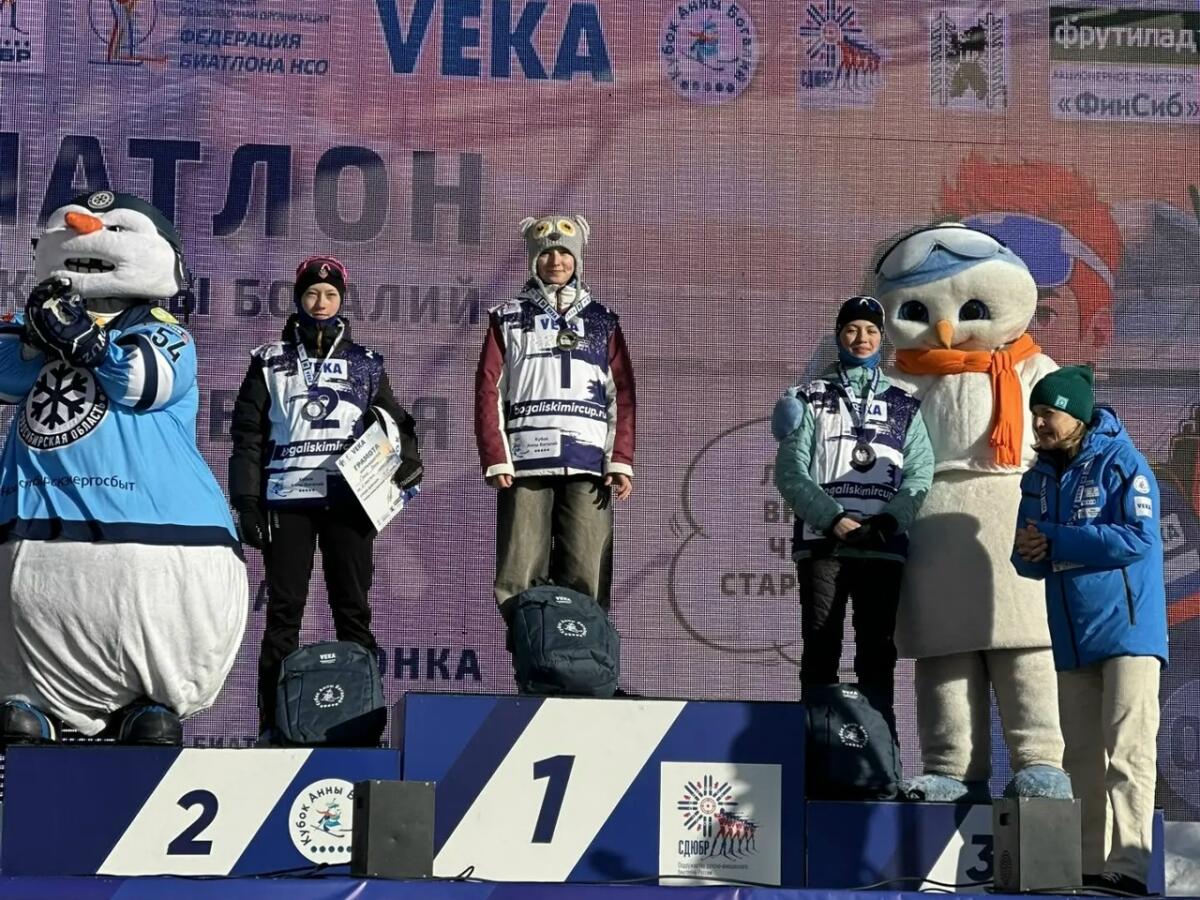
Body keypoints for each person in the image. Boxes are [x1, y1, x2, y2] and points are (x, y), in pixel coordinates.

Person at [229, 255, 422, 741]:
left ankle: (363, 721)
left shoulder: (365, 362)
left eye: (330, 294)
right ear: (299, 298)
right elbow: (248, 435)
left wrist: (408, 460)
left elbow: (395, 422)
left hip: (349, 501)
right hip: (287, 498)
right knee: (283, 614)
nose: (321, 302)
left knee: (352, 609)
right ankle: (273, 723)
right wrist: (247, 502)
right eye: (312, 293)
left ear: (342, 300)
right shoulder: (269, 360)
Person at [1013, 365, 1167, 896]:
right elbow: (1026, 556)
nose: (1039, 423)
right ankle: (1088, 866)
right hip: (1072, 637)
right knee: (1079, 758)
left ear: (1076, 416)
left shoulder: (1121, 460)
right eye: (1035, 414)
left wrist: (1055, 538)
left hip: (1128, 633)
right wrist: (1032, 549)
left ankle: (1130, 864)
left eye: (1048, 414)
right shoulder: (1037, 476)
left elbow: (1138, 538)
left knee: (1128, 752)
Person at [772, 295, 933, 726]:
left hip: (882, 543)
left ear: (882, 338)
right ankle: (816, 740)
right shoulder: (810, 397)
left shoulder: (904, 403)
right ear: (839, 335)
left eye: (871, 330)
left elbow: (920, 472)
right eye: (852, 329)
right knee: (821, 646)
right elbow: (790, 472)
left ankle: (877, 745)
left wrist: (889, 520)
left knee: (877, 650)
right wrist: (833, 518)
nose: (861, 338)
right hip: (824, 544)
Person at [474, 214, 635, 639]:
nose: (556, 261)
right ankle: (529, 652)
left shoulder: (602, 320)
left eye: (565, 252)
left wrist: (619, 459)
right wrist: (496, 457)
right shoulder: (508, 317)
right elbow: (489, 390)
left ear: (578, 258)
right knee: (520, 566)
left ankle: (584, 654)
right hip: (526, 461)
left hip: (588, 461)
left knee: (587, 563)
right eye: (547, 254)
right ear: (533, 259)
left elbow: (622, 393)